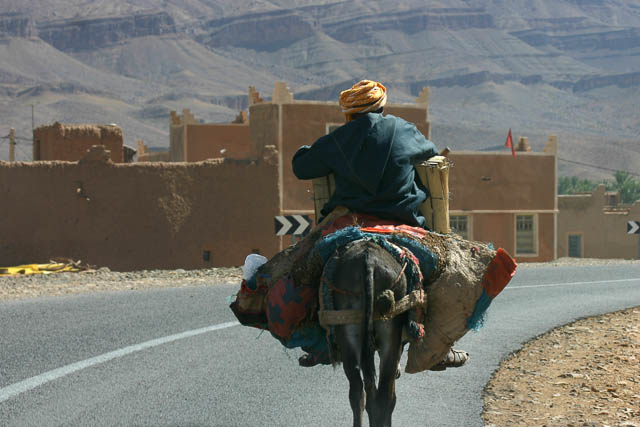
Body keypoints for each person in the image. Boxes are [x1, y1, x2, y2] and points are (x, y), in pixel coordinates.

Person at [292, 80, 469, 370]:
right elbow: (430, 152)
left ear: (349, 114)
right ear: (382, 107)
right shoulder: (404, 130)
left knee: (307, 270)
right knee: (441, 270)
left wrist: (311, 150)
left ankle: (319, 344)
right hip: (403, 226)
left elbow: (301, 166)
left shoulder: (339, 139)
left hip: (350, 225)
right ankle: (437, 347)